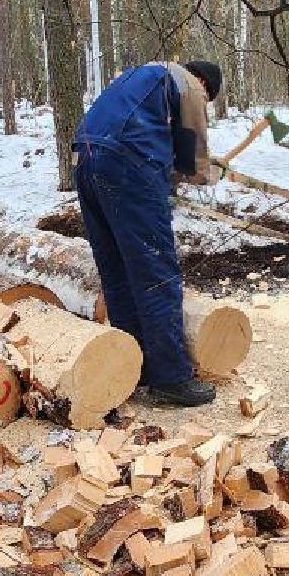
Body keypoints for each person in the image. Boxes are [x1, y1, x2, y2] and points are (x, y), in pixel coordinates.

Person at [72, 59, 223, 408]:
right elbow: (193, 160)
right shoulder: (187, 83)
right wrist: (210, 174)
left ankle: (133, 365)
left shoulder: (141, 76)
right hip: (127, 166)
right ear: (204, 83)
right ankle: (171, 377)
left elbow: (155, 141)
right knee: (156, 273)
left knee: (119, 271)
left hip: (87, 158)